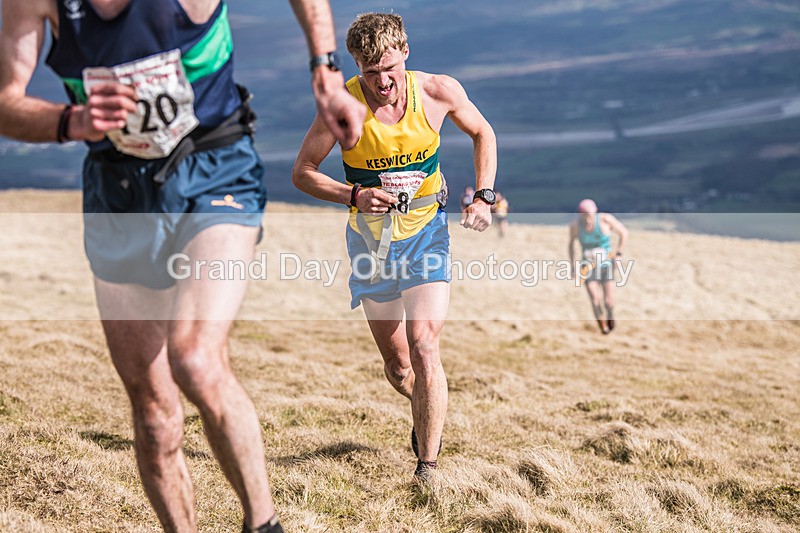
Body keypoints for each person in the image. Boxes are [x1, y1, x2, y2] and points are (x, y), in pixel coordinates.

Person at [0, 0, 365, 531]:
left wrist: (326, 70)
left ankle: (263, 524)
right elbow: (6, 102)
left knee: (194, 357)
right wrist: (72, 119)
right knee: (153, 411)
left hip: (215, 168)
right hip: (119, 192)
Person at [292, 12, 497, 480]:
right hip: (371, 244)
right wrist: (355, 195)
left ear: (405, 53)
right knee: (400, 365)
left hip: (427, 233)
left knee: (425, 345)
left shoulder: (438, 91)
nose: (382, 82)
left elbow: (483, 132)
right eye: (369, 73)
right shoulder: (342, 105)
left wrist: (484, 195)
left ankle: (427, 465)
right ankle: (428, 403)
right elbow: (302, 171)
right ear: (356, 67)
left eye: (388, 69)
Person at [568, 199, 629, 334]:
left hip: (606, 265)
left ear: (594, 213)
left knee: (608, 301)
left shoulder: (605, 220)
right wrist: (573, 266)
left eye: (589, 214)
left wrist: (618, 254)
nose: (587, 218)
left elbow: (624, 233)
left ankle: (610, 316)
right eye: (584, 215)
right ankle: (603, 327)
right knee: (594, 298)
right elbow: (571, 245)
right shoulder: (575, 226)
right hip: (587, 267)